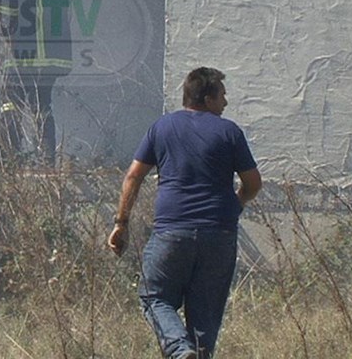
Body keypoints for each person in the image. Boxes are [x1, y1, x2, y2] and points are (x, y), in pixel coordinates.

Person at [108, 67, 262, 359]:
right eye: (222, 96)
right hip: (219, 234)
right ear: (207, 97)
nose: (226, 103)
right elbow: (253, 183)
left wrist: (121, 223)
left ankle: (179, 350)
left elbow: (132, 177)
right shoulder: (230, 132)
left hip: (172, 233)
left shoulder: (162, 127)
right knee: (205, 318)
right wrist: (234, 206)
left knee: (154, 297)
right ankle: (189, 353)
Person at [0, 0, 73, 165]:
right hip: (51, 59)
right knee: (42, 106)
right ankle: (48, 160)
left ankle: (11, 158)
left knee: (10, 104)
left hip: (23, 56)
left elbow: (8, 15)